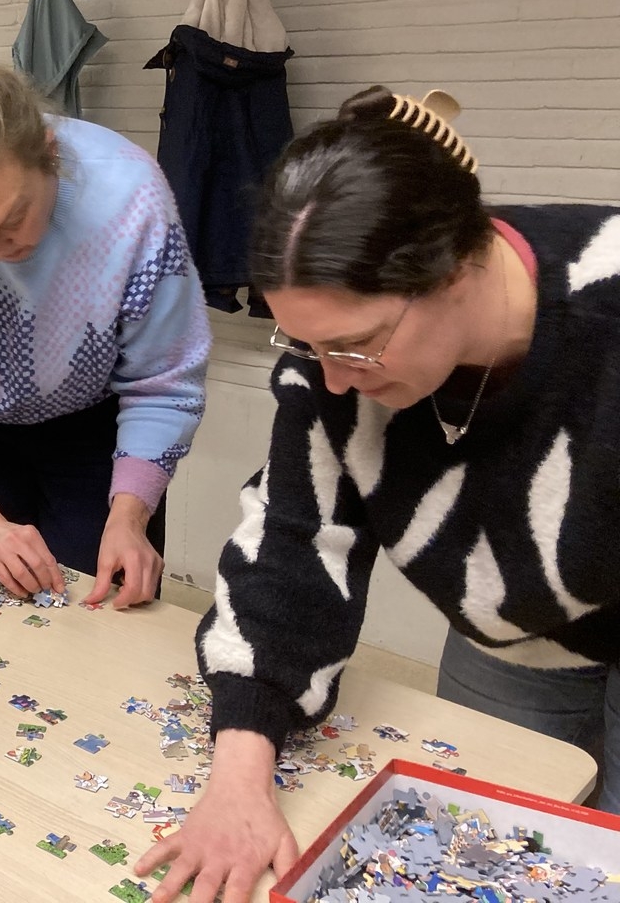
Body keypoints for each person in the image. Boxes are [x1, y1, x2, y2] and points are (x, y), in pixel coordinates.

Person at [137, 87, 620, 902]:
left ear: (458, 269)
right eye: (306, 344)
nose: (331, 380)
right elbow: (292, 542)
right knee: (487, 851)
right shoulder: (330, 365)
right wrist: (239, 776)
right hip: (518, 629)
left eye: (356, 346)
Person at [0, 56, 210, 607]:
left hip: (96, 434)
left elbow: (166, 382)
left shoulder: (133, 196)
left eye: (12, 220)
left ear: (50, 156)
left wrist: (130, 517)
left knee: (96, 614)